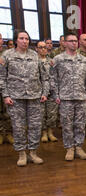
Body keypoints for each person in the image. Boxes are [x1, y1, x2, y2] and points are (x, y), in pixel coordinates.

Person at [1, 30, 49, 166]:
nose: (24, 41)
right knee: (18, 127)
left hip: (35, 97)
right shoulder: (7, 56)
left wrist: (44, 93)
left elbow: (44, 77)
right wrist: (6, 95)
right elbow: (2, 78)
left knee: (35, 126)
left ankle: (33, 152)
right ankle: (22, 153)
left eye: (27, 39)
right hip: (15, 98)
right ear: (16, 40)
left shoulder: (35, 56)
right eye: (21, 38)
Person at [50, 33, 86, 161]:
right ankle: (69, 148)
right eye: (71, 41)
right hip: (65, 98)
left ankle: (79, 147)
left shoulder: (84, 60)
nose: (74, 43)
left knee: (80, 124)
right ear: (65, 43)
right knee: (67, 125)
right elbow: (53, 79)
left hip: (81, 98)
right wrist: (56, 95)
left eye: (75, 41)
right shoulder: (57, 59)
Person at [36, 41, 58, 143]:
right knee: (41, 113)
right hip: (38, 92)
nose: (43, 49)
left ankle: (50, 132)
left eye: (44, 47)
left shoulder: (52, 61)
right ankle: (44, 133)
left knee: (52, 113)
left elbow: (56, 76)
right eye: (40, 47)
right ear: (36, 49)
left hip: (52, 91)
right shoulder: (34, 61)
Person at [0, 32, 14, 145]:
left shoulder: (7, 54)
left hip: (6, 87)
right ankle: (0, 134)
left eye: (0, 38)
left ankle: (9, 133)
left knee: (8, 111)